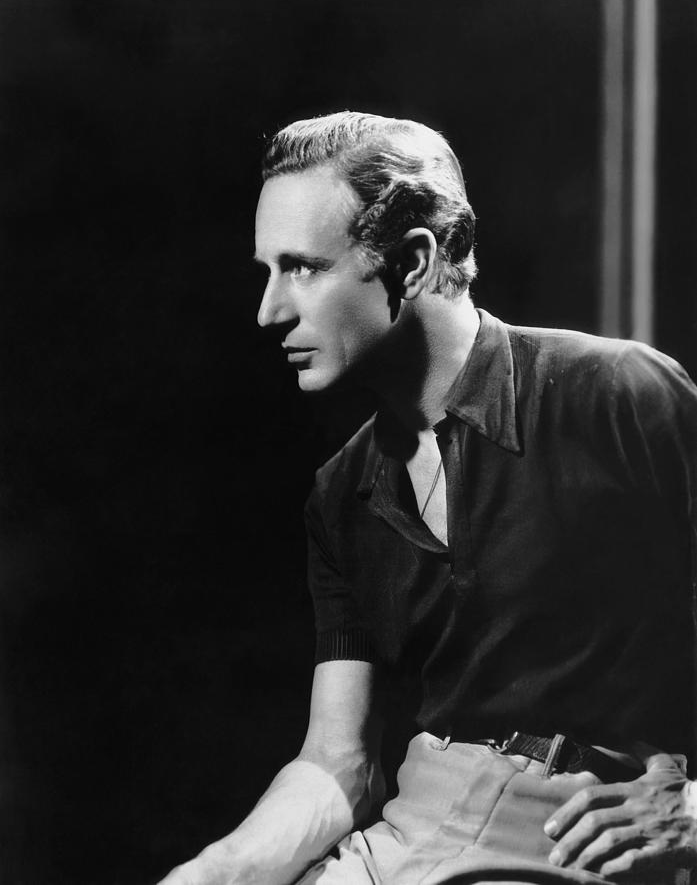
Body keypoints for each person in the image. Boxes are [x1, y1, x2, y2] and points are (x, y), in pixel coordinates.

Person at [159, 111, 697, 885]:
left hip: (572, 843)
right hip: (410, 835)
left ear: (411, 263)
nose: (269, 310)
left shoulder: (616, 394)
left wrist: (692, 809)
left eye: (302, 268)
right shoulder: (341, 493)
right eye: (268, 271)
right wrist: (216, 871)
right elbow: (337, 763)